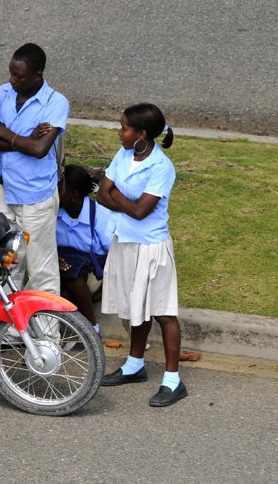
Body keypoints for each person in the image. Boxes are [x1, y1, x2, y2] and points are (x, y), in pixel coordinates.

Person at [96, 103, 186, 407]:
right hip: (125, 241)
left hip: (151, 245)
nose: (119, 133)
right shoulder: (123, 154)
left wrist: (116, 196)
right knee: (137, 307)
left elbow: (140, 210)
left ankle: (173, 381)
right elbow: (100, 193)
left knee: (162, 311)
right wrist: (122, 200)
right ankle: (134, 365)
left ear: (142, 134)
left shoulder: (162, 167)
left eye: (124, 128)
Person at [0, 43, 70, 295]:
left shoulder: (55, 102)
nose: (12, 80)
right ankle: (3, 329)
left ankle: (47, 333)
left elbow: (39, 150)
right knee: (8, 264)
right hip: (5, 189)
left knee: (41, 268)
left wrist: (6, 133)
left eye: (19, 76)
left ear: (38, 74)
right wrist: (24, 139)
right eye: (11, 73)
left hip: (35, 198)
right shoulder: (4, 92)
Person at [56, 165, 116, 331]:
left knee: (73, 277)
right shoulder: (54, 213)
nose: (54, 191)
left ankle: (91, 327)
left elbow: (114, 253)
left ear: (73, 194)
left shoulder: (99, 215)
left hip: (91, 271)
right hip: (59, 265)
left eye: (59, 188)